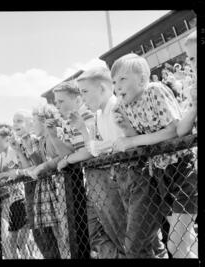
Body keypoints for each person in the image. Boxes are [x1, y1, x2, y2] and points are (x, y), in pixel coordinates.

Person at [111, 53, 197, 258]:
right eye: (114, 82)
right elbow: (143, 139)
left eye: (123, 79)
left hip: (181, 168)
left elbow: (172, 130)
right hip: (159, 173)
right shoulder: (126, 105)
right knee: (185, 242)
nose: (117, 87)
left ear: (141, 79)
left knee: (176, 245)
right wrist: (127, 128)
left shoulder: (154, 90)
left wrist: (131, 141)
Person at [77, 67, 168, 258]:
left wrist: (100, 145)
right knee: (143, 243)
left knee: (139, 243)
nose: (82, 98)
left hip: (138, 177)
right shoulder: (100, 115)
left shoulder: (117, 106)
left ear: (102, 88)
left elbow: (121, 143)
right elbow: (100, 147)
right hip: (122, 181)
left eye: (85, 92)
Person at [54, 79, 128, 258]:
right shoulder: (74, 120)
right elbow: (82, 149)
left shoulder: (89, 114)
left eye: (61, 101)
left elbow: (90, 150)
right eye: (56, 102)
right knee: (92, 230)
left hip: (106, 178)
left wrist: (68, 159)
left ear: (77, 99)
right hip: (94, 182)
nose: (57, 106)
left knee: (119, 231)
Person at [0, 106, 74, 259]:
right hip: (39, 191)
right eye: (13, 121)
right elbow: (33, 166)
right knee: (45, 235)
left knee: (59, 235)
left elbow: (41, 164)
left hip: (53, 187)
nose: (15, 124)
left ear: (32, 123)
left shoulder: (40, 138)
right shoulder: (28, 141)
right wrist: (19, 150)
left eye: (19, 121)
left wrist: (22, 169)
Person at [0, 123, 31, 259]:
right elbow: (5, 176)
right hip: (12, 202)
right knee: (12, 243)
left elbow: (22, 170)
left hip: (22, 198)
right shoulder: (1, 157)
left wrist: (2, 175)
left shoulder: (13, 150)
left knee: (21, 243)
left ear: (6, 139)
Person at [176, 30, 197, 138]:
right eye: (192, 59)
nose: (196, 63)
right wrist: (194, 106)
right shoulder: (195, 90)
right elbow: (180, 131)